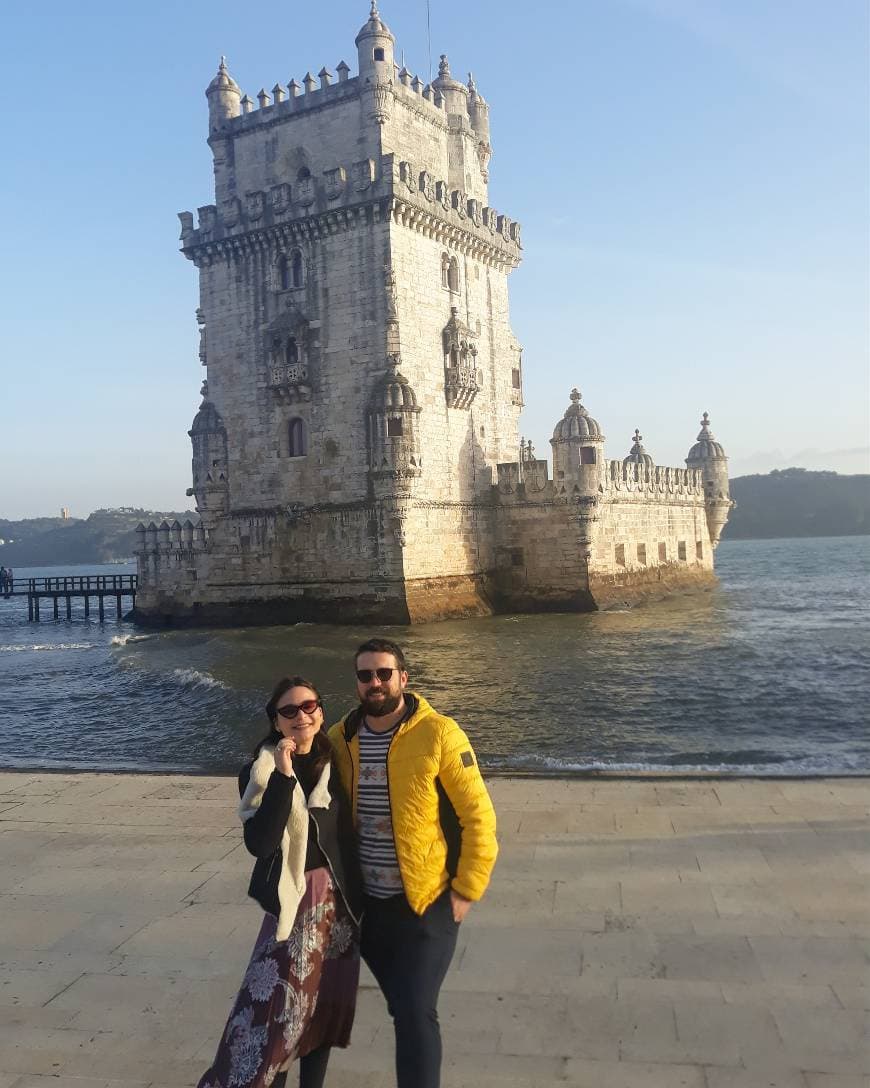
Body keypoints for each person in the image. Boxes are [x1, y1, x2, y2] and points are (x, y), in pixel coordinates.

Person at [328, 638, 498, 1088]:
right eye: (366, 676)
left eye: (384, 673)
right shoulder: (341, 738)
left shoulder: (440, 732)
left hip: (427, 903)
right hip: (369, 910)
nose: (375, 683)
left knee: (416, 1010)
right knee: (404, 1007)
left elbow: (477, 815)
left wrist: (465, 892)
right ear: (358, 683)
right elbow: (307, 773)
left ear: (404, 677)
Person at [198, 677, 362, 1088]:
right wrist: (285, 779)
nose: (301, 716)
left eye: (309, 706)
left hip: (337, 903)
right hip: (293, 902)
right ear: (275, 722)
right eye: (289, 711)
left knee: (324, 1008)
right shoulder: (259, 772)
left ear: (321, 712)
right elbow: (261, 843)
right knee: (277, 1012)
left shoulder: (337, 762)